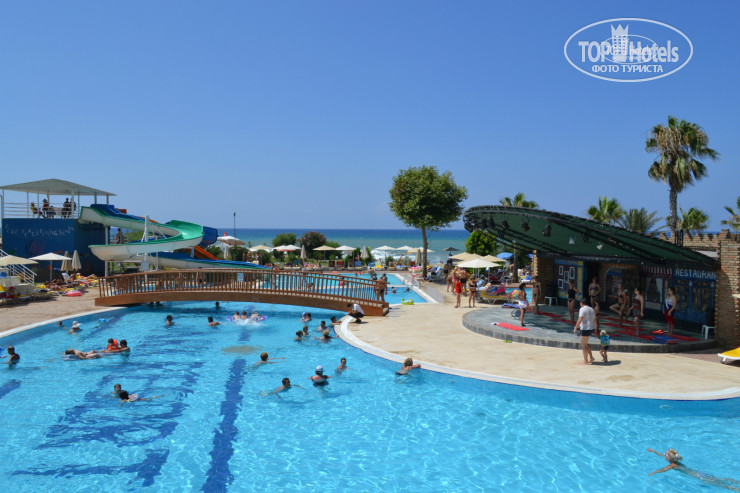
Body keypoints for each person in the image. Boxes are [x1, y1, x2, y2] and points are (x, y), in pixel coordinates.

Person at [646, 448, 740, 490]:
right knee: (719, 480)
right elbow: (662, 455)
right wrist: (653, 451)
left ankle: (735, 489)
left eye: (665, 454)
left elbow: (663, 469)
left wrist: (653, 472)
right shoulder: (674, 461)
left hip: (699, 477)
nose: (664, 455)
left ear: (669, 458)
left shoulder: (673, 465)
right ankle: (736, 482)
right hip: (700, 473)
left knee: (721, 485)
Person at [573, 298, 596, 365]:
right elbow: (595, 319)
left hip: (585, 329)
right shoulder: (591, 309)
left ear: (581, 303)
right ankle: (591, 357)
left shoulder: (582, 309)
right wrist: (595, 328)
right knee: (586, 343)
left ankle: (585, 361)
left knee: (584, 345)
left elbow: (580, 318)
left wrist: (575, 327)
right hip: (591, 328)